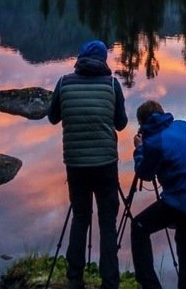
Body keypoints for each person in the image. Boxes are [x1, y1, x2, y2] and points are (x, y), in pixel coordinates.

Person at [48, 39, 128, 289]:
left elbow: (52, 118)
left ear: (80, 59)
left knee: (80, 217)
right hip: (105, 164)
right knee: (107, 222)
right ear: (104, 60)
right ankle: (110, 282)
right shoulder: (112, 84)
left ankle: (74, 278)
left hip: (76, 164)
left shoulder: (63, 83)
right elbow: (121, 123)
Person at [130, 99, 186, 289]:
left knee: (138, 227)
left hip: (184, 198)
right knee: (184, 234)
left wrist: (139, 149)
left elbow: (144, 173)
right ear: (162, 114)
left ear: (142, 124)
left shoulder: (154, 143)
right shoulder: (184, 125)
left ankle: (149, 285)